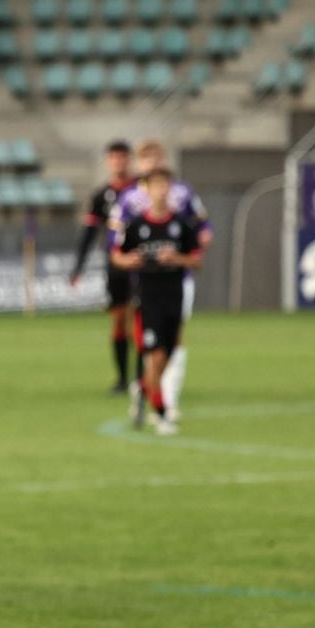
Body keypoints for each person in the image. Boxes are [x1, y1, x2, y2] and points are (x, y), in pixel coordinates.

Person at [111, 140, 210, 423]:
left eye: (156, 158)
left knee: (175, 341)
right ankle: (152, 396)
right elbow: (116, 242)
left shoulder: (184, 194)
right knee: (150, 344)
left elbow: (203, 229)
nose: (152, 163)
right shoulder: (130, 199)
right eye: (146, 158)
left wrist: (186, 252)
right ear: (140, 164)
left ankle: (165, 395)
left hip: (179, 283)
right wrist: (125, 260)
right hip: (146, 285)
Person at [71, 140, 136, 393]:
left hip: (142, 264)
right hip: (116, 265)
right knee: (119, 321)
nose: (118, 162)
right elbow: (89, 234)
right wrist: (78, 267)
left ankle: (143, 377)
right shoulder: (102, 196)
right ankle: (122, 379)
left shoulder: (141, 190)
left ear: (128, 160)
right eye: (114, 158)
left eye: (122, 158)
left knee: (139, 320)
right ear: (108, 162)